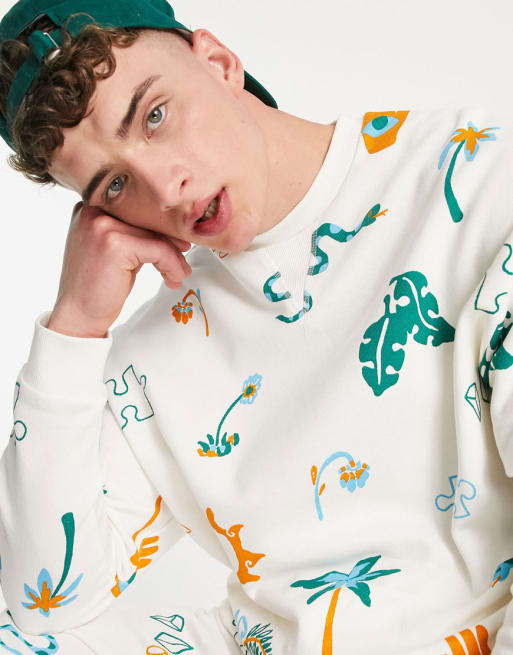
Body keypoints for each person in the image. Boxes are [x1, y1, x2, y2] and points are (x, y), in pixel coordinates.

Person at [1, 0, 513, 653]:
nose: (165, 187)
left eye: (155, 115)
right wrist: (75, 325)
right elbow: (44, 601)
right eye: (115, 186)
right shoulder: (153, 358)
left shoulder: (478, 184)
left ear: (217, 62)